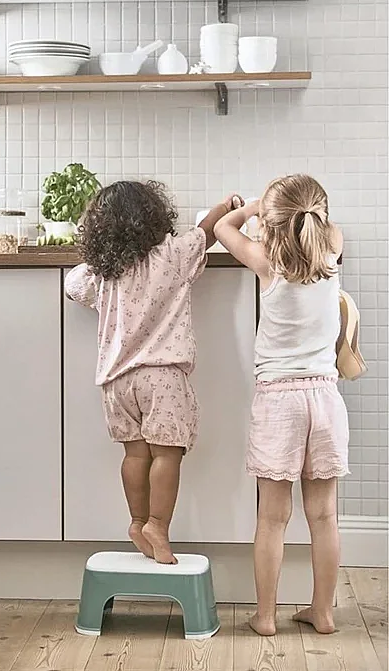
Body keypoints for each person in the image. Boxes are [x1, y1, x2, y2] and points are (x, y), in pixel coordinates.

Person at [65, 180, 242, 565]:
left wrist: (98, 260)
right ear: (154, 217)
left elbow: (72, 285)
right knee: (167, 454)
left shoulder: (102, 271)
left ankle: (137, 521)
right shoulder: (172, 254)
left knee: (135, 454)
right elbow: (207, 231)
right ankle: (158, 526)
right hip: (162, 376)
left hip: (116, 382)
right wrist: (227, 206)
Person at [215, 174, 348, 636]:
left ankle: (267, 617)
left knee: (273, 518)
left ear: (271, 223)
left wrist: (248, 208)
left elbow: (222, 229)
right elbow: (314, 229)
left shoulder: (264, 260)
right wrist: (275, 215)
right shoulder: (332, 245)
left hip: (279, 401)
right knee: (324, 516)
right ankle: (323, 612)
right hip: (326, 398)